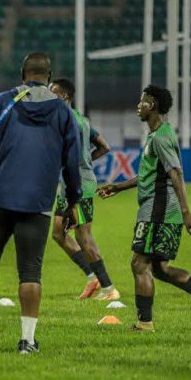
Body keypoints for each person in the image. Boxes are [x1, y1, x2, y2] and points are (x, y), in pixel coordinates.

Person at [0, 53, 81, 354]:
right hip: (39, 201)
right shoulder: (63, 112)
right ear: (49, 75)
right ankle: (27, 340)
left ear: (22, 73)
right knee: (31, 271)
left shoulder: (4, 102)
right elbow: (72, 161)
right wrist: (73, 201)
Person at [97, 86, 191, 331]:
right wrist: (118, 187)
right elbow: (148, 175)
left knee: (139, 264)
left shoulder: (162, 137)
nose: (138, 106)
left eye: (142, 102)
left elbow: (175, 173)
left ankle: (145, 322)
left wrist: (186, 211)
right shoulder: (156, 135)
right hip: (158, 211)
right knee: (160, 269)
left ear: (152, 105)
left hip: (159, 212)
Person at [48, 78, 119, 300]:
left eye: (53, 94)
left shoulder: (69, 122)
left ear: (64, 97)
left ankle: (109, 289)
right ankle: (92, 277)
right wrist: (87, 161)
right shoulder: (81, 119)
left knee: (83, 237)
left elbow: (68, 156)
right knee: (59, 233)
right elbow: (104, 147)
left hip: (77, 187)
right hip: (69, 184)